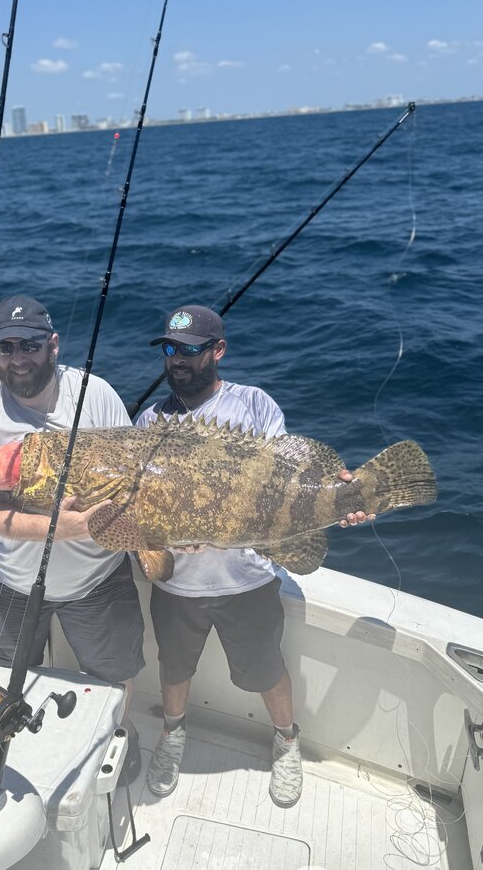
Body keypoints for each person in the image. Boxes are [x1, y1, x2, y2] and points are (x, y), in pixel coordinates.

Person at [135, 305, 372, 806]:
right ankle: (172, 736)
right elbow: (144, 504)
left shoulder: (254, 405)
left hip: (248, 580)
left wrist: (340, 497)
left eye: (190, 350)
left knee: (264, 669)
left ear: (218, 350)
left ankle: (286, 740)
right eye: (170, 349)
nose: (177, 359)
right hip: (178, 585)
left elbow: (288, 480)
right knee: (174, 669)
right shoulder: (150, 420)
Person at [0, 294, 145, 778]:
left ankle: (115, 742)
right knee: (4, 676)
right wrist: (60, 529)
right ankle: (10, 752)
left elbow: (134, 483)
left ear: (53, 345)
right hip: (14, 582)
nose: (18, 358)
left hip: (98, 580)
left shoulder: (95, 394)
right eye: (6, 348)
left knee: (113, 679)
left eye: (30, 345)